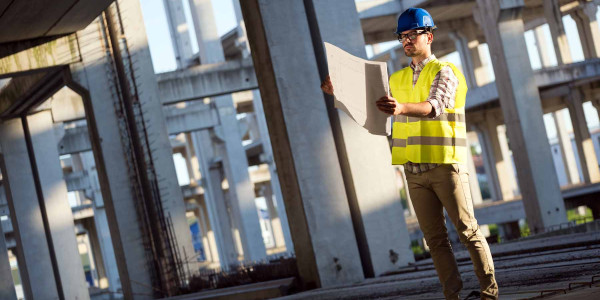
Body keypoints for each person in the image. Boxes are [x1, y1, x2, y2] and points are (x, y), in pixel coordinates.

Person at [321, 7, 498, 300]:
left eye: (412, 34)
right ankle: (452, 296)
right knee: (435, 240)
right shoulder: (398, 79)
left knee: (468, 231)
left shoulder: (446, 71)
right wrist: (337, 91)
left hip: (445, 166)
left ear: (428, 36)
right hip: (413, 172)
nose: (406, 41)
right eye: (402, 36)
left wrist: (401, 108)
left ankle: (489, 294)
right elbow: (371, 106)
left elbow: (435, 106)